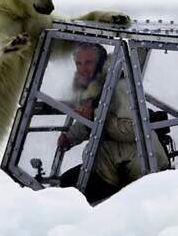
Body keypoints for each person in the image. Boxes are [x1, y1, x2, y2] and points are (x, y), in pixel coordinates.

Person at [57, 43, 169, 203]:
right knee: (68, 182)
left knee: (74, 192)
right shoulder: (96, 85)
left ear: (101, 63)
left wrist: (95, 116)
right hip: (112, 161)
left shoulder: (121, 85)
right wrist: (70, 137)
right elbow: (92, 119)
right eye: (79, 63)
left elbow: (133, 130)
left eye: (89, 62)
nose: (83, 68)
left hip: (138, 166)